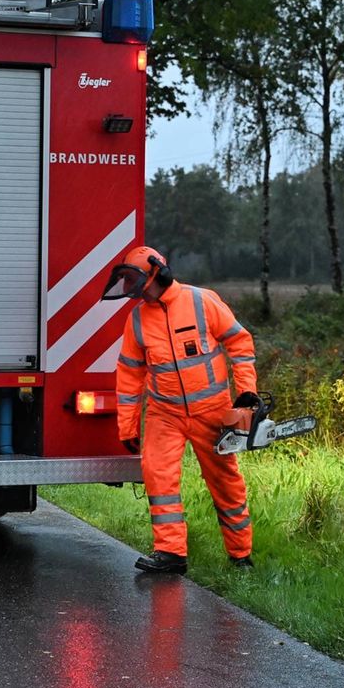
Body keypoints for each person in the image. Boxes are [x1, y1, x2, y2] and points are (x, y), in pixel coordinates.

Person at [102, 245, 258, 574]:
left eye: (137, 280)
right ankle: (170, 553)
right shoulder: (138, 320)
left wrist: (246, 394)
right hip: (164, 412)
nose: (134, 290)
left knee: (225, 481)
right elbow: (130, 374)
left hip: (212, 410)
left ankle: (241, 555)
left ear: (157, 272)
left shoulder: (201, 302)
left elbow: (240, 344)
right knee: (158, 476)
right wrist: (127, 426)